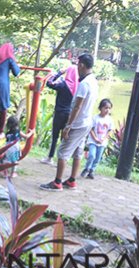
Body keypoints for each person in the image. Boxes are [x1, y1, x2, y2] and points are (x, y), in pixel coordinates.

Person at [40, 53, 98, 191]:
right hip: (86, 122)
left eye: (78, 64)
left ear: (82, 65)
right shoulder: (94, 81)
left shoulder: (84, 84)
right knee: (78, 151)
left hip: (78, 124)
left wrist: (68, 126)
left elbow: (77, 106)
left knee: (63, 152)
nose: (77, 67)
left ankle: (57, 182)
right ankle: (72, 180)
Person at [41, 65, 78, 164]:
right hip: (69, 114)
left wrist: (59, 73)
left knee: (55, 136)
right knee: (64, 138)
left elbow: (49, 83)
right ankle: (61, 160)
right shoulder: (77, 86)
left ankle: (50, 158)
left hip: (59, 113)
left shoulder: (63, 84)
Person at [81, 98, 113, 179]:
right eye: (105, 108)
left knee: (98, 158)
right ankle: (87, 168)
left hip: (102, 143)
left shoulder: (109, 120)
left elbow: (110, 131)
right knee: (92, 155)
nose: (107, 110)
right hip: (93, 141)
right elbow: (91, 129)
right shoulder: (95, 118)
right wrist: (95, 138)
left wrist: (104, 139)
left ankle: (92, 170)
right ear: (100, 108)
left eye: (109, 108)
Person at [3, 115, 33, 179]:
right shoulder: (18, 131)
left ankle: (5, 173)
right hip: (14, 148)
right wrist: (32, 132)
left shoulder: (7, 133)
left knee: (6, 160)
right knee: (15, 161)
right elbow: (26, 137)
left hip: (7, 148)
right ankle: (12, 174)